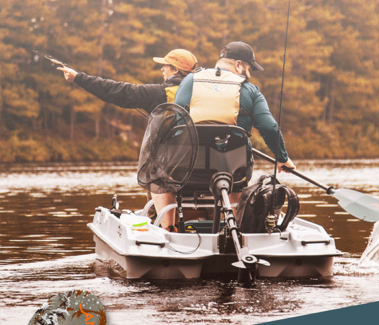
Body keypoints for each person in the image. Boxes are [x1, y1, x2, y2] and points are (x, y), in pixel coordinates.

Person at [58, 49, 198, 231]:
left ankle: (165, 229)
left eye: (165, 66)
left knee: (158, 176)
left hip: (168, 170)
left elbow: (117, 91)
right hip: (200, 169)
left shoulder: (161, 93)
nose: (162, 70)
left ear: (176, 70)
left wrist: (79, 78)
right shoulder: (205, 95)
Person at [160, 41, 296, 221]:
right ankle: (237, 225)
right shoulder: (250, 90)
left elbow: (178, 122)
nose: (249, 74)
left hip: (186, 171)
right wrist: (282, 157)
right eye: (250, 69)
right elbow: (270, 128)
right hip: (233, 174)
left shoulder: (189, 81)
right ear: (239, 65)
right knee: (236, 179)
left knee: (162, 176)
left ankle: (170, 228)